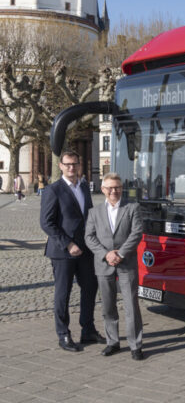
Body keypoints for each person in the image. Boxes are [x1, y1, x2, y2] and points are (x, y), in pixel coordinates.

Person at [40, 150, 104, 352]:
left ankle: (88, 330)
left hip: (86, 249)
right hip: (63, 252)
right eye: (67, 164)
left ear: (79, 165)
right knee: (63, 294)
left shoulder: (84, 187)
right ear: (60, 166)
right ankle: (63, 334)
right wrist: (67, 244)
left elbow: (90, 217)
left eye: (74, 164)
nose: (71, 167)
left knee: (90, 287)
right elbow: (46, 223)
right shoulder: (53, 190)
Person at [85, 173, 145, 361]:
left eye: (117, 187)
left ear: (121, 188)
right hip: (104, 264)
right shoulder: (94, 212)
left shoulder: (132, 208)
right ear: (103, 190)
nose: (114, 191)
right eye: (110, 188)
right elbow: (89, 237)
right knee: (108, 305)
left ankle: (136, 345)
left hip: (126, 262)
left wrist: (120, 253)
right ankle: (113, 342)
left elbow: (136, 233)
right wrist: (106, 254)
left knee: (131, 305)